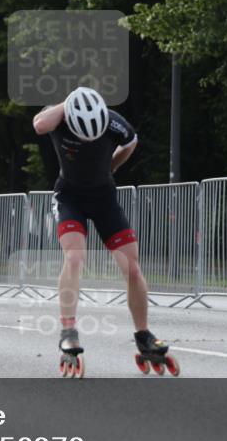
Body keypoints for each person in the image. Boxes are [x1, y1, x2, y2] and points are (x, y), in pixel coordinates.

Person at [32, 87, 179, 377]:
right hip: (70, 197)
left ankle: (143, 335)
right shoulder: (59, 117)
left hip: (104, 197)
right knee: (75, 257)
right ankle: (68, 331)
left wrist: (112, 166)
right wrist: (66, 103)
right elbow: (39, 124)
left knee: (132, 267)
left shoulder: (114, 122)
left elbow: (131, 141)